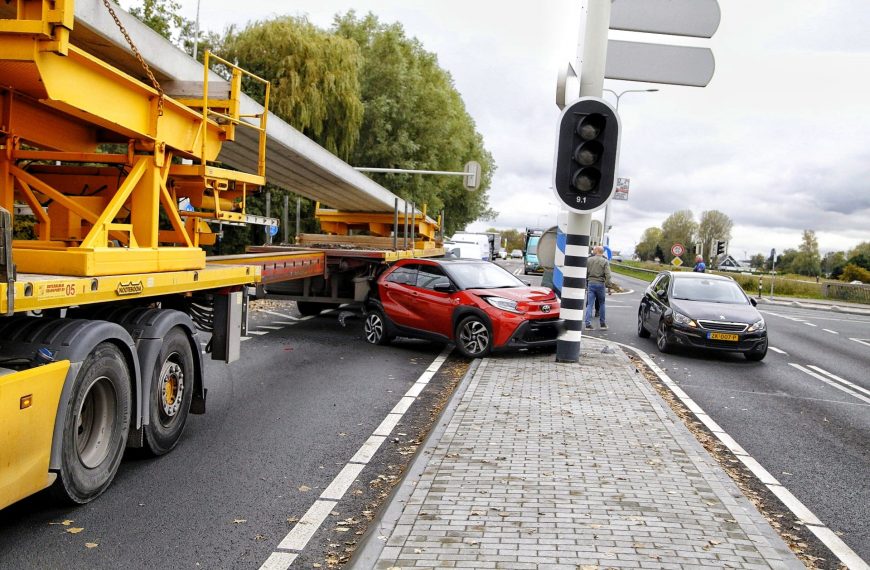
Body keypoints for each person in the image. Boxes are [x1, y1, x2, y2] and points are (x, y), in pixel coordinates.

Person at [584, 246, 613, 330]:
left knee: (590, 304)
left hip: (591, 283)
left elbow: (585, 273)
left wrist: (585, 285)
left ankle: (587, 324)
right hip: (600, 284)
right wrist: (609, 287)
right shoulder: (605, 261)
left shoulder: (589, 260)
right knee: (602, 304)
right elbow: (608, 275)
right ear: (602, 252)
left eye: (594, 250)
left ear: (596, 251)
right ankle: (602, 324)